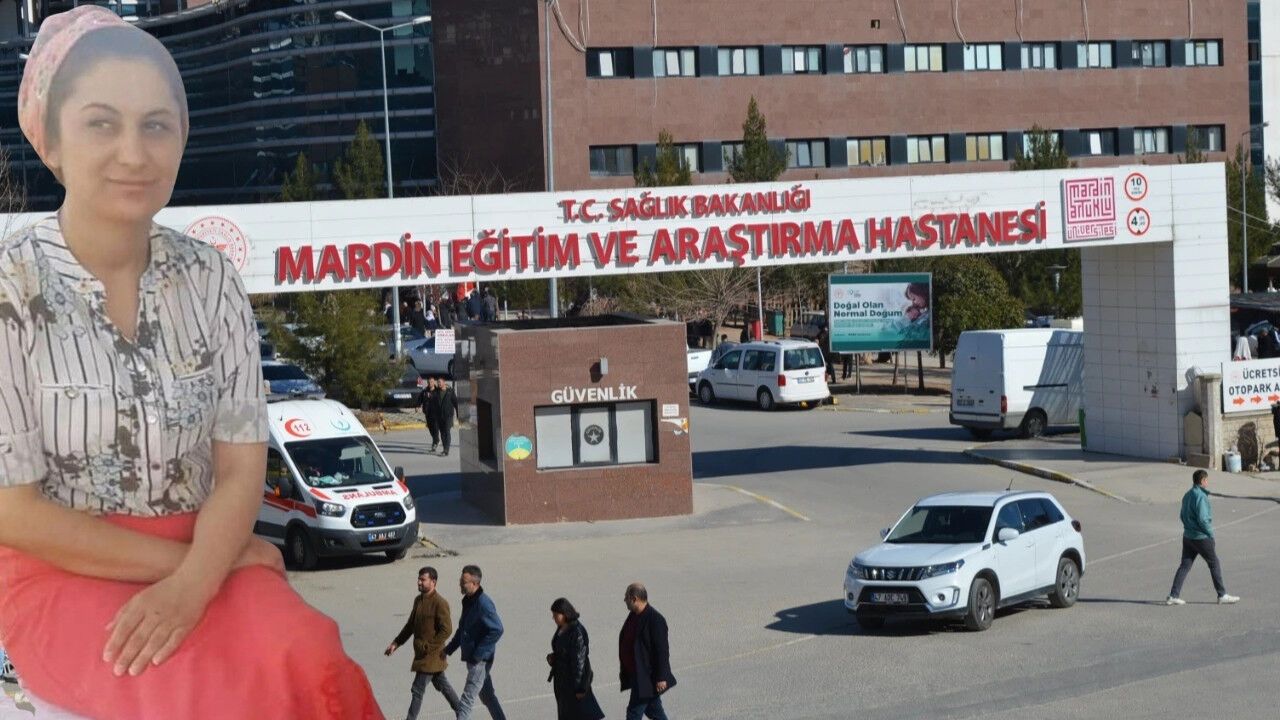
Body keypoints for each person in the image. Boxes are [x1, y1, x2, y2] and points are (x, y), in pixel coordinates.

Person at [0, 7, 382, 718]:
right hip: (60, 570)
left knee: (312, 659)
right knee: (200, 693)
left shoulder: (210, 278)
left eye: (157, 125)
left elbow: (239, 468)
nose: (134, 153)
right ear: (49, 141)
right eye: (101, 124)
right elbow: (12, 513)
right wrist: (196, 573)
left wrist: (198, 577)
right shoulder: (9, 288)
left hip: (208, 552)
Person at [387, 567, 461, 720]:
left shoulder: (440, 603)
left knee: (417, 690)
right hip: (423, 654)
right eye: (419, 579)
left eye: (423, 579)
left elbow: (446, 630)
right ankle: (462, 712)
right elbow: (410, 626)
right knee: (442, 684)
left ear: (433, 582)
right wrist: (396, 643)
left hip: (431, 656)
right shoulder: (418, 600)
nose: (419, 582)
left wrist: (429, 647)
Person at [1166, 470, 1240, 605]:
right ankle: (1222, 595)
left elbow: (1182, 515)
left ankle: (1173, 595)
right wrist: (1210, 534)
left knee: (1185, 565)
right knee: (1214, 563)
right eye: (1207, 479)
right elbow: (1203, 519)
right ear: (1202, 481)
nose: (1208, 482)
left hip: (1188, 537)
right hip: (1201, 537)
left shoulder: (1187, 494)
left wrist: (1189, 528)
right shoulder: (1200, 496)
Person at [445, 565, 507, 720]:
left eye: (463, 582)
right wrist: (448, 649)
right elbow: (463, 629)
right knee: (488, 697)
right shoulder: (468, 601)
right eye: (460, 580)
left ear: (475, 583)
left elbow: (497, 629)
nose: (460, 584)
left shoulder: (483, 603)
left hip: (480, 661)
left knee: (466, 701)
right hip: (474, 659)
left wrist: (479, 653)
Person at [618, 583, 676, 720]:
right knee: (654, 711)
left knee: (633, 713)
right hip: (637, 674)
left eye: (626, 597)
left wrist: (662, 677)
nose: (624, 600)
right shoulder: (634, 615)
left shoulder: (655, 619)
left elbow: (662, 651)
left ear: (634, 599)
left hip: (646, 677)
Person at [547, 598, 605, 720]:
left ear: (564, 614)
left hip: (572, 683)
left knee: (578, 714)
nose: (553, 618)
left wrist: (580, 688)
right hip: (563, 681)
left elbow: (579, 662)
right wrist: (554, 657)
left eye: (555, 615)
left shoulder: (577, 631)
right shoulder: (562, 627)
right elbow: (562, 650)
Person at [430, 379, 461, 457]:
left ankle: (446, 450)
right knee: (442, 433)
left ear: (444, 382)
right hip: (439, 416)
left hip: (448, 416)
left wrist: (458, 415)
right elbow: (433, 404)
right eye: (438, 382)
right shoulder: (436, 392)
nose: (438, 384)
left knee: (447, 431)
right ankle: (444, 449)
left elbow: (456, 403)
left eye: (440, 382)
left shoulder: (450, 392)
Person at [420, 377, 440, 452]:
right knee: (430, 428)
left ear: (434, 382)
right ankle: (436, 439)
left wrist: (431, 396)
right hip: (428, 412)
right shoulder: (425, 391)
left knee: (435, 428)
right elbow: (420, 399)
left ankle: (435, 442)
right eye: (428, 382)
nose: (430, 383)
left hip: (436, 413)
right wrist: (417, 405)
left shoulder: (438, 391)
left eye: (431, 382)